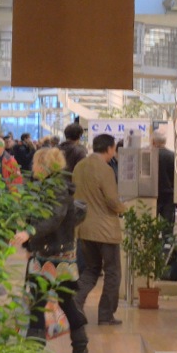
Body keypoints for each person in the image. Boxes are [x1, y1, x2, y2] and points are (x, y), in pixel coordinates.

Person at [12, 147, 91, 353]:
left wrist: (29, 234)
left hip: (60, 255)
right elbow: (33, 217)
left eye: (36, 163)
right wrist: (28, 242)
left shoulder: (57, 189)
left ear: (44, 166)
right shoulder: (41, 187)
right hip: (43, 253)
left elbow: (54, 218)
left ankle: (80, 345)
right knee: (37, 302)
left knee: (66, 301)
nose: (32, 167)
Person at [73, 133, 126, 326]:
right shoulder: (105, 169)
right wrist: (123, 208)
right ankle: (105, 315)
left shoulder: (80, 167)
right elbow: (112, 200)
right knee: (112, 272)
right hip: (105, 230)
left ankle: (76, 302)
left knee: (90, 270)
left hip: (84, 228)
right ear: (110, 148)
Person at [151, 128, 176, 226]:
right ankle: (167, 241)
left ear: (153, 141)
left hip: (152, 195)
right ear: (165, 141)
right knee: (168, 227)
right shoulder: (173, 156)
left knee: (150, 226)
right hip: (169, 196)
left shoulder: (148, 155)